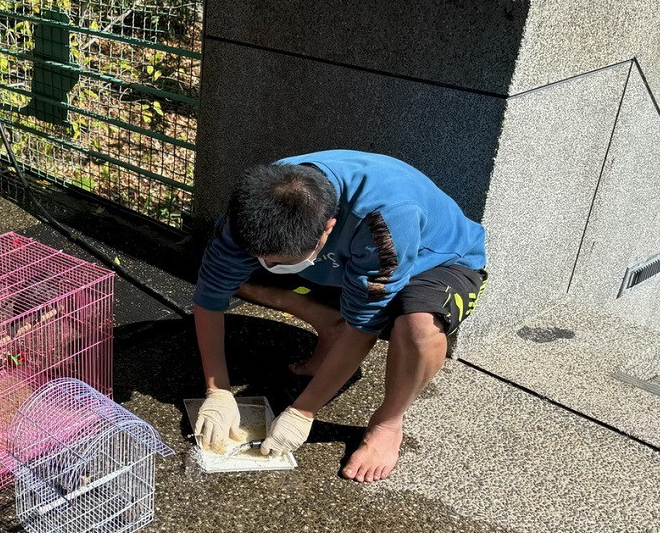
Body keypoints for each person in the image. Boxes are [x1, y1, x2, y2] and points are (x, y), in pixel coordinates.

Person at [192, 150, 487, 482]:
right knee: (230, 275)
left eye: (280, 261)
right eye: (264, 258)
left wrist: (303, 411)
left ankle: (389, 422)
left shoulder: (386, 220)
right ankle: (330, 326)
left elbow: (365, 326)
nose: (271, 268)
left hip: (434, 262)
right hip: (343, 262)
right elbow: (210, 295)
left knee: (419, 327)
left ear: (328, 228)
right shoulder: (255, 205)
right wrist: (217, 390)